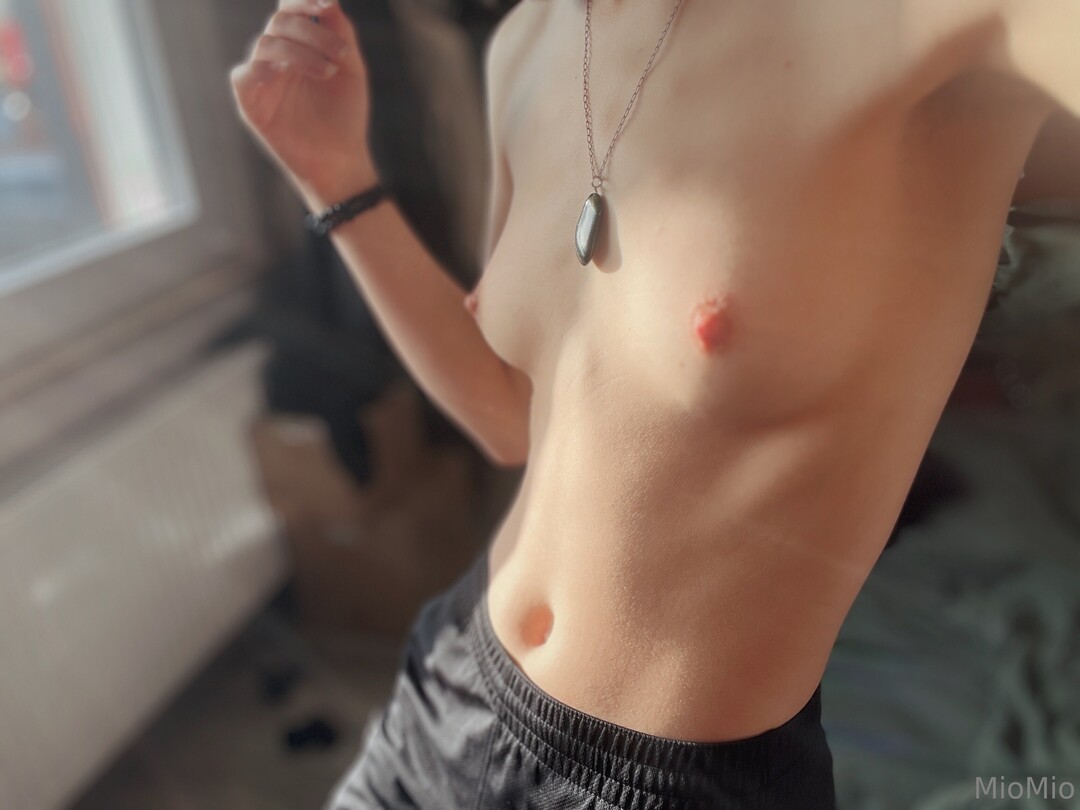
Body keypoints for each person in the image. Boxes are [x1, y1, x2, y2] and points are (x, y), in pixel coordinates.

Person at [230, 0, 1079, 806]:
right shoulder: (528, 39)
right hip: (447, 692)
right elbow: (508, 418)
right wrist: (333, 176)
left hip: (676, 782)